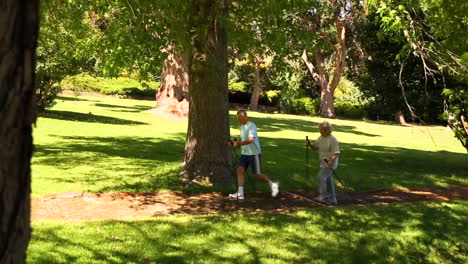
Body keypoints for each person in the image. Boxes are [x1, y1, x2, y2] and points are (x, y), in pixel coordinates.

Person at [228, 110, 279, 200]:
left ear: (245, 116)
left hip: (254, 153)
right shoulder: (242, 126)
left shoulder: (252, 126)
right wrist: (234, 143)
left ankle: (273, 185)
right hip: (245, 153)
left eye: (240, 118)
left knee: (257, 174)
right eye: (238, 118)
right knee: (240, 170)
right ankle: (240, 193)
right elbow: (242, 138)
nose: (239, 120)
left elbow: (251, 139)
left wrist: (239, 144)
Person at [306, 121, 340, 205]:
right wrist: (309, 144)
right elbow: (315, 147)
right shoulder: (321, 138)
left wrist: (331, 161)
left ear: (326, 130)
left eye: (321, 130)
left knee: (321, 177)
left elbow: (336, 152)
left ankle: (323, 197)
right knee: (328, 180)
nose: (319, 131)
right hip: (324, 162)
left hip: (330, 163)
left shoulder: (332, 139)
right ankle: (332, 199)